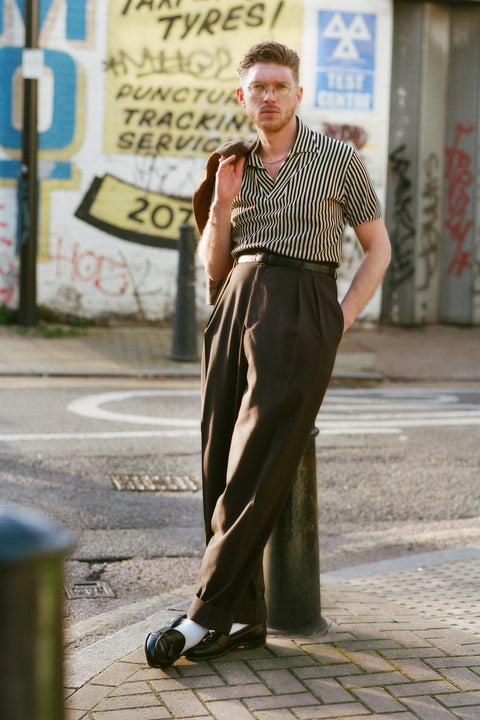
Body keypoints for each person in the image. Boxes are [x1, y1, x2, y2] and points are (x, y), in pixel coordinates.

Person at [145, 40, 391, 668]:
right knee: (219, 459)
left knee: (257, 462)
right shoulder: (231, 164)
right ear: (243, 96)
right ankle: (244, 619)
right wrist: (222, 206)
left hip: (300, 304)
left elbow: (378, 249)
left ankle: (203, 615)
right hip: (235, 303)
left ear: (298, 93)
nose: (270, 96)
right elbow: (217, 265)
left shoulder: (339, 160)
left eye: (281, 85)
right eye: (258, 86)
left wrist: (337, 321)